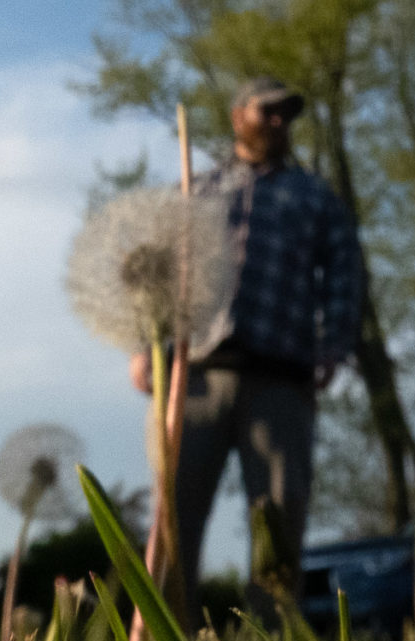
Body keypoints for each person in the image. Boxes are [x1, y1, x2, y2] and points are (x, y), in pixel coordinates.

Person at [130, 75, 364, 603]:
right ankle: (170, 634)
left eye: (287, 113)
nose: (279, 121)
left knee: (279, 525)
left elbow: (347, 272)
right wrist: (144, 348)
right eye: (268, 111)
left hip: (280, 377)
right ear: (239, 116)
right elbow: (154, 273)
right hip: (192, 378)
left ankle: (272, 636)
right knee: (172, 518)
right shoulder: (194, 189)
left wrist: (335, 345)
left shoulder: (315, 197)